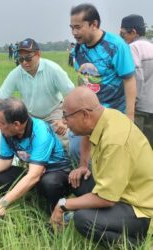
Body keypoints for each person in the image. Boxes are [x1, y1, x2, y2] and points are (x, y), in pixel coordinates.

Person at [51, 86, 153, 247]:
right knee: (75, 179)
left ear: (85, 114)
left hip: (140, 208)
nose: (64, 122)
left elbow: (106, 199)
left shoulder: (115, 141)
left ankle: (135, 243)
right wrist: (83, 165)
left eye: (66, 116)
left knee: (83, 220)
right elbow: (86, 133)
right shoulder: (105, 116)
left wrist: (63, 204)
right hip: (121, 192)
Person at [68, 3, 136, 191]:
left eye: (78, 27)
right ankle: (93, 187)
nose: (74, 32)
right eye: (72, 28)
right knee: (75, 149)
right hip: (88, 114)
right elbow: (82, 79)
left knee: (111, 154)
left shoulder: (116, 46)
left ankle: (113, 190)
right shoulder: (78, 50)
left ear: (94, 24)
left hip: (113, 113)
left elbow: (129, 80)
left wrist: (130, 116)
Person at [0, 98, 71, 216]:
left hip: (56, 171)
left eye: (1, 123)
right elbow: (5, 161)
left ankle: (56, 214)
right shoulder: (8, 132)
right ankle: (28, 196)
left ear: (16, 124)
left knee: (49, 183)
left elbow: (34, 175)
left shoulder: (41, 132)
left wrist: (3, 203)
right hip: (32, 169)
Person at [0, 38, 74, 148]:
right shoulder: (16, 73)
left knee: (61, 142)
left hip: (54, 112)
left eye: (28, 58)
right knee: (30, 145)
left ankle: (66, 163)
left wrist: (64, 119)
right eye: (21, 59)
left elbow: (72, 94)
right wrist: (4, 121)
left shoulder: (53, 69)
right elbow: (1, 97)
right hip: (31, 115)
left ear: (38, 54)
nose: (24, 62)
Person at [120, 14, 153, 145]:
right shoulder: (151, 47)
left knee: (137, 148)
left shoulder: (133, 48)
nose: (122, 38)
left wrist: (131, 106)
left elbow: (136, 78)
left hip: (141, 111)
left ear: (133, 32)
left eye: (123, 34)